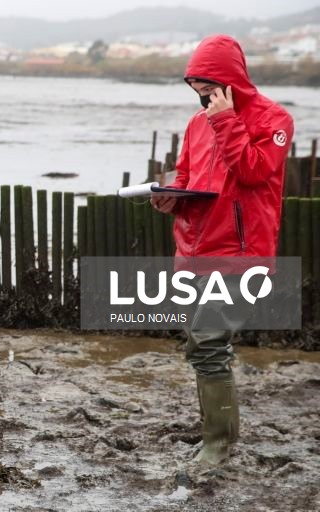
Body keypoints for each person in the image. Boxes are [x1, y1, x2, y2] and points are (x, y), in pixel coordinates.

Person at [151, 35, 294, 465]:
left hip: (241, 255)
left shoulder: (275, 119)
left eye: (209, 89)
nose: (203, 98)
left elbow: (253, 172)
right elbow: (187, 178)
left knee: (208, 341)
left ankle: (218, 445)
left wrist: (226, 120)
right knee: (200, 344)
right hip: (196, 250)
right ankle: (217, 435)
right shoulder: (197, 123)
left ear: (232, 82)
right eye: (196, 90)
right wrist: (170, 197)